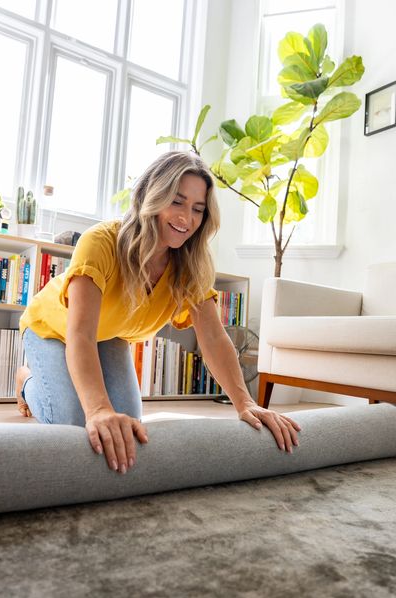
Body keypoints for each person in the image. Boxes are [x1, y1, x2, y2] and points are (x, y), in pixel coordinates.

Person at [16, 151, 301, 475]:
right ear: (152, 196)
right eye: (177, 202)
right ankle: (27, 382)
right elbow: (79, 334)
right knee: (74, 422)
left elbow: (212, 335)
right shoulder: (100, 242)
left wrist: (245, 402)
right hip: (53, 328)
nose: (186, 218)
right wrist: (97, 409)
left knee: (127, 424)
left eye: (198, 209)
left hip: (110, 335)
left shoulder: (191, 264)